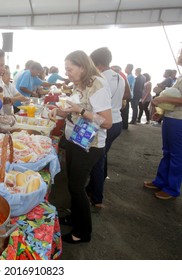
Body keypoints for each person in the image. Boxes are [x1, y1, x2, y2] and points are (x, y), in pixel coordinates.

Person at [49, 50, 112, 244]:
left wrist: (80, 110)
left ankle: (83, 232)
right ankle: (74, 217)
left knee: (77, 187)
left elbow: (107, 122)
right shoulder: (81, 84)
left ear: (82, 67)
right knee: (72, 184)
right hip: (76, 140)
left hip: (90, 145)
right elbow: (75, 113)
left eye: (70, 69)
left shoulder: (98, 85)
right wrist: (58, 112)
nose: (67, 73)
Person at [86, 47, 124, 208]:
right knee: (102, 156)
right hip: (118, 121)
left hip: (105, 124)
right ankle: (96, 185)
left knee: (97, 160)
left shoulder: (100, 78)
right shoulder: (120, 76)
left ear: (98, 64)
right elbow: (127, 96)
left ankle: (97, 197)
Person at [143, 51, 182, 200]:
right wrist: (161, 112)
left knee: (177, 155)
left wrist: (162, 99)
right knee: (167, 152)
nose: (179, 54)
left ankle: (172, 188)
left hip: (179, 120)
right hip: (171, 118)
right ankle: (161, 181)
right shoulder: (179, 76)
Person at [122, 63, 135, 129]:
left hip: (127, 95)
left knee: (124, 110)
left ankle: (124, 125)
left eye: (126, 68)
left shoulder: (130, 77)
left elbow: (128, 87)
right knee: (125, 109)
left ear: (129, 69)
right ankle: (124, 124)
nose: (125, 69)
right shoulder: (129, 76)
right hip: (129, 95)